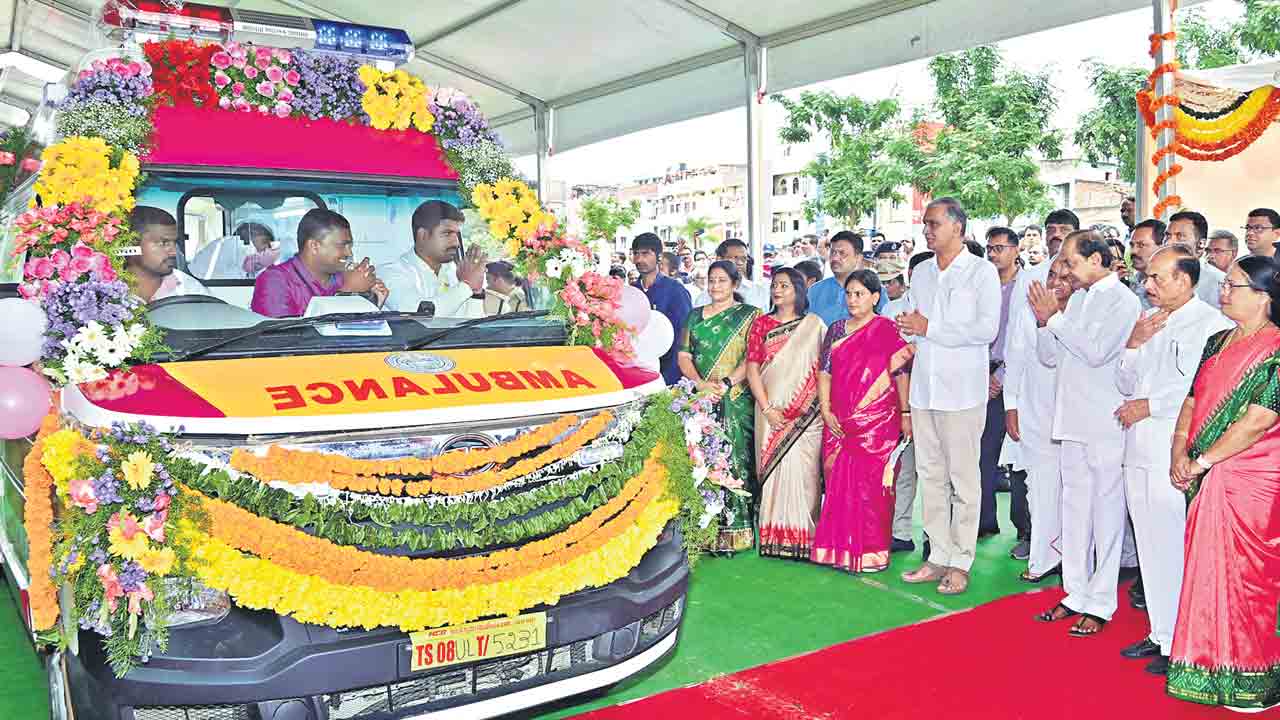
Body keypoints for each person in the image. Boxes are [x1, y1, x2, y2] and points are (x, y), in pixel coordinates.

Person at [1165, 255, 1280, 710]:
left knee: (1250, 577)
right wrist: (1179, 450)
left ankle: (1256, 679)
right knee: (1209, 572)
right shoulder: (1216, 341)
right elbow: (1192, 401)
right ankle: (1213, 668)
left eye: (1234, 285)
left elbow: (1259, 420)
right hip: (1206, 472)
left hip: (1253, 479)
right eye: (1226, 284)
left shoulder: (1276, 349)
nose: (1224, 291)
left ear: (1264, 296)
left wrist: (1202, 461)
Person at [1114, 245, 1234, 676]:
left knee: (1175, 545)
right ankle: (1161, 632)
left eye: (1157, 279)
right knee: (1149, 544)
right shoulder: (1147, 323)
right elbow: (1123, 381)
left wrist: (1150, 405)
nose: (1147, 286)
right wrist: (1132, 344)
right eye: (1146, 278)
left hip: (1173, 447)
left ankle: (1186, 640)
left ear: (1185, 281)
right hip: (1137, 445)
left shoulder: (1213, 326)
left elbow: (1201, 389)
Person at [1029, 230, 1142, 637]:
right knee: (1074, 508)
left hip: (1105, 419)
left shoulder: (1124, 302)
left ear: (1097, 259)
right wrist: (1046, 321)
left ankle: (1101, 601)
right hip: (1072, 418)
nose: (1067, 272)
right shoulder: (1076, 300)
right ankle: (1074, 592)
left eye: (1072, 263)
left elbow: (1096, 353)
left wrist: (1055, 318)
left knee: (1107, 511)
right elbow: (1049, 357)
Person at [897, 198, 1001, 595]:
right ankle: (937, 554)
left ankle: (961, 560)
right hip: (925, 389)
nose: (927, 230)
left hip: (962, 392)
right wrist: (908, 327)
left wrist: (930, 326)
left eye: (934, 223)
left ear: (958, 227)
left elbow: (985, 330)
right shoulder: (922, 271)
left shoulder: (981, 272)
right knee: (931, 475)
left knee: (963, 479)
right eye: (925, 224)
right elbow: (912, 320)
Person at [813, 269, 913, 573]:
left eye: (860, 294)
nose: (853, 299)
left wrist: (906, 413)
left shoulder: (886, 329)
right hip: (839, 420)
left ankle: (871, 552)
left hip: (878, 422)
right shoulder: (837, 329)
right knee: (836, 482)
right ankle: (838, 549)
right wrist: (826, 409)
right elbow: (824, 372)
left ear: (875, 297)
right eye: (849, 293)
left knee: (873, 488)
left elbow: (900, 373)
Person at [678, 260, 762, 553]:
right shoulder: (694, 316)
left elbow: (752, 357)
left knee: (735, 458)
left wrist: (725, 384)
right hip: (700, 398)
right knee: (700, 459)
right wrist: (700, 384)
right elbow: (684, 356)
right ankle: (704, 530)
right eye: (711, 280)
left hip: (735, 398)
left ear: (735, 284)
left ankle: (737, 531)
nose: (715, 286)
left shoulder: (749, 316)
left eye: (722, 281)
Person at [745, 267, 826, 559]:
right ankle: (773, 538)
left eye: (784, 286)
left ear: (798, 291)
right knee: (772, 470)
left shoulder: (814, 325)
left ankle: (805, 538)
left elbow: (824, 371)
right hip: (769, 410)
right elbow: (753, 368)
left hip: (807, 415)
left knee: (806, 474)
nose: (777, 291)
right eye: (775, 285)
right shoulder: (761, 325)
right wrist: (767, 407)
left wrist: (800, 407)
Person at [1011, 256, 1072, 582]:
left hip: (1077, 415)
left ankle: (1073, 557)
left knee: (1075, 491)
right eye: (1052, 274)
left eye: (1066, 275)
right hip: (1035, 411)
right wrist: (1011, 405)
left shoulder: (1082, 313)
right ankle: (1042, 557)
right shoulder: (1027, 312)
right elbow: (1015, 358)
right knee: (1039, 488)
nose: (1058, 280)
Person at [978, 227, 1027, 546]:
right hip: (978, 375)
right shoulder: (981, 283)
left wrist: (1003, 376)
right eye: (990, 249)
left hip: (1015, 379)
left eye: (1000, 248)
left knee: (1019, 457)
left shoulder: (1029, 284)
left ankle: (1024, 528)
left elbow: (1024, 341)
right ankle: (983, 520)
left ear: (1016, 249)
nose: (994, 254)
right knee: (980, 454)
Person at [251, 209, 384, 317]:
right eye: (343, 245)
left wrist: (372, 303)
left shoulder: (343, 277)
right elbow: (281, 341)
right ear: (314, 246)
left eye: (350, 246)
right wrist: (347, 293)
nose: (349, 253)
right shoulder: (275, 281)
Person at [379, 201, 485, 316]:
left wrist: (476, 292)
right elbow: (422, 315)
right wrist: (467, 285)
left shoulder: (456, 272)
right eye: (447, 233)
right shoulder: (389, 274)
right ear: (422, 235)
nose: (456, 243)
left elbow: (473, 328)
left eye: (457, 234)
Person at [876, 258, 915, 552]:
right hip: (896, 396)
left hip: (932, 395)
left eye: (893, 280)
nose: (889, 286)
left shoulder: (937, 311)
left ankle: (934, 540)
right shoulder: (887, 313)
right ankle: (898, 530)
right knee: (899, 466)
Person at [632, 232, 693, 386]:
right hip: (636, 374)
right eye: (636, 254)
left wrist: (669, 379)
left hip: (669, 375)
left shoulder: (675, 291)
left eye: (645, 253)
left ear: (659, 257)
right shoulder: (631, 292)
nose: (639, 259)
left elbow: (684, 337)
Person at [126, 206, 211, 303]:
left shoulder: (189, 287)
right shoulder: (107, 288)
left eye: (175, 242)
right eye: (163, 243)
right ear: (130, 244)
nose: (174, 252)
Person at [808, 231, 869, 326]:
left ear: (858, 258)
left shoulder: (873, 289)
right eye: (832, 252)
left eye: (842, 253)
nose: (835, 258)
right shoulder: (815, 290)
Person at [1167, 210, 1225, 308]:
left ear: (1201, 244)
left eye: (1180, 236)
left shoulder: (1219, 282)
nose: (1168, 242)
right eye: (1167, 235)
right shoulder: (1156, 276)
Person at [693, 239, 769, 311]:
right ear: (719, 259)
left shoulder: (759, 292)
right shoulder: (704, 298)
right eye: (735, 258)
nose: (740, 263)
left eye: (743, 259)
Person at [1128, 218, 1167, 309]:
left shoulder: (1171, 284)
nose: (1133, 251)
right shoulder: (1136, 279)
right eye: (1131, 245)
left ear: (1162, 247)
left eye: (1141, 245)